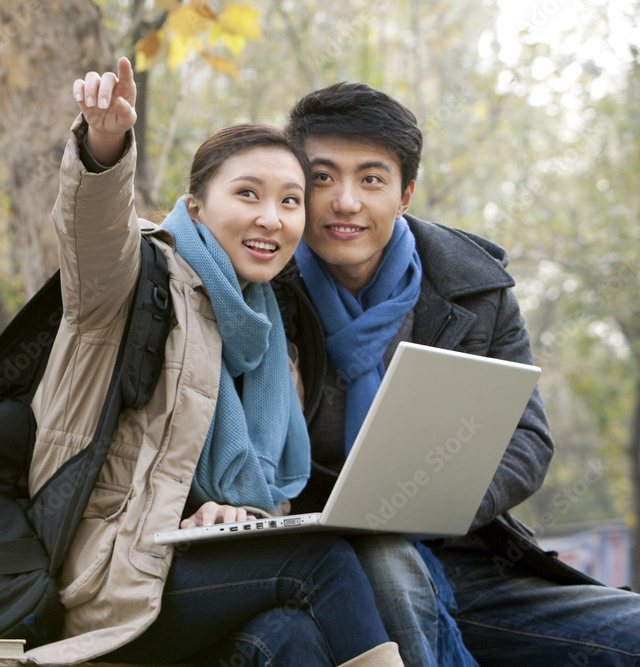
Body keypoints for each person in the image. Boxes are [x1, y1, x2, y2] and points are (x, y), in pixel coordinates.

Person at [22, 58, 403, 666]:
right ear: (195, 207)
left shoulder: (274, 333)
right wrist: (104, 143)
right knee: (320, 561)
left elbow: (253, 494)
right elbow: (90, 233)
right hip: (113, 579)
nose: (270, 218)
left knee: (293, 638)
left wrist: (230, 516)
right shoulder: (133, 282)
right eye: (247, 194)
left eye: (291, 202)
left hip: (202, 577)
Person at [272, 81, 640, 666]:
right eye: (322, 178)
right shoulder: (260, 287)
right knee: (388, 564)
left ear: (406, 193)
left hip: (464, 558)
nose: (345, 202)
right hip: (320, 569)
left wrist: (438, 506)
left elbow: (528, 439)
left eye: (371, 179)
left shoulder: (475, 290)